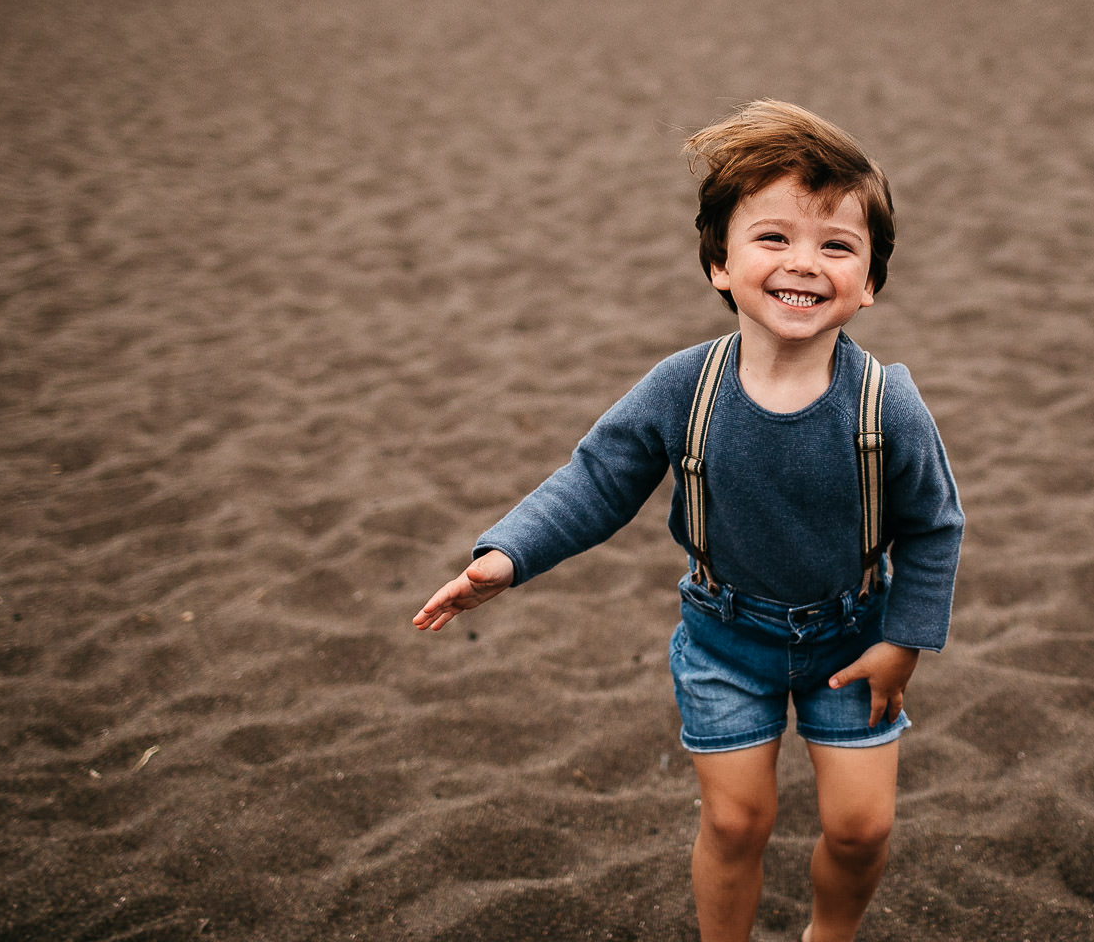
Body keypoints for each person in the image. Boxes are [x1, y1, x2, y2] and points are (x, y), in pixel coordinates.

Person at [412, 99, 965, 942]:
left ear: (870, 283)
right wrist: (507, 554)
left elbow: (934, 524)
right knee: (737, 823)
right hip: (724, 642)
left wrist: (905, 639)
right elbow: (597, 480)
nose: (803, 263)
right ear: (719, 264)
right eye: (773, 237)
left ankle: (829, 934)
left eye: (836, 246)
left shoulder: (887, 404)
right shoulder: (684, 388)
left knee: (861, 829)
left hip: (853, 642)